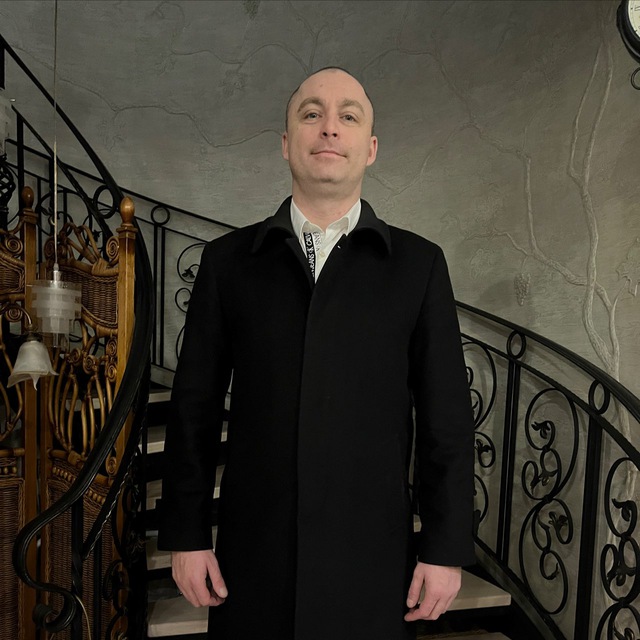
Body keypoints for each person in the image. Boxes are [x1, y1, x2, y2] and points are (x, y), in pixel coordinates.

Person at [158, 67, 475, 640]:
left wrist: (445, 549)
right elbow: (193, 408)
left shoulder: (418, 266)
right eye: (311, 114)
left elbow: (445, 419)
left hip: (373, 559)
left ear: (370, 148)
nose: (329, 127)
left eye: (348, 116)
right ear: (286, 143)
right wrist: (187, 534)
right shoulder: (229, 263)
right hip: (254, 555)